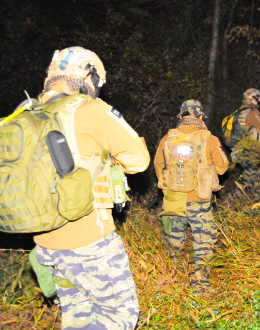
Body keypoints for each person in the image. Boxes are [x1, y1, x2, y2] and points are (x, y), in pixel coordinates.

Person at [33, 46, 150, 329]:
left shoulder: (28, 113)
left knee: (78, 316)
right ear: (89, 75)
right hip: (88, 239)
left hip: (45, 242)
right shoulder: (89, 109)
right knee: (118, 316)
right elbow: (138, 161)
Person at [154, 100, 229, 293]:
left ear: (180, 117)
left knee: (175, 240)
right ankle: (200, 284)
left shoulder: (167, 139)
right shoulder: (209, 139)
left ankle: (172, 280)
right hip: (199, 199)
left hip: (173, 199)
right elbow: (223, 167)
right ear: (201, 117)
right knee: (203, 240)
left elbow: (158, 166)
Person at [231, 88, 260, 188]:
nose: (258, 102)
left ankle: (254, 201)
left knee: (255, 179)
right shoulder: (253, 112)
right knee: (247, 181)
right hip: (250, 151)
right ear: (254, 99)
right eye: (257, 100)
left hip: (237, 150)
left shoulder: (238, 112)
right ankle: (230, 201)